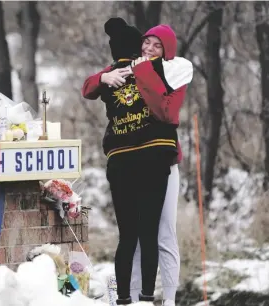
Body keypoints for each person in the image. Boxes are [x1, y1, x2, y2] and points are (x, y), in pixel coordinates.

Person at [82, 20, 193, 305]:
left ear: (166, 51)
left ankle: (167, 299)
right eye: (147, 43)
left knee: (162, 234)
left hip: (164, 161)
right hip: (130, 158)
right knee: (134, 235)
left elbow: (166, 114)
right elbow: (88, 87)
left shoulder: (172, 71)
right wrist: (103, 78)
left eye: (158, 46)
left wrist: (143, 71)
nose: (150, 49)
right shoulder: (123, 68)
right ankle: (129, 298)